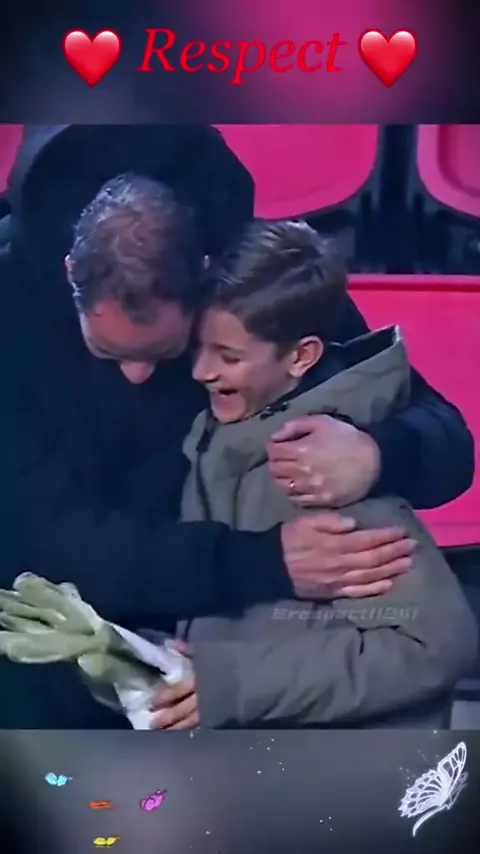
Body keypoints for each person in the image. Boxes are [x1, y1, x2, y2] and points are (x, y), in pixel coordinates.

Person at [0, 126, 474, 727]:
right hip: (67, 648)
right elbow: (35, 541)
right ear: (71, 273)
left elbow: (442, 437)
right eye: (109, 352)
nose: (139, 376)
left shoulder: (249, 283)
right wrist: (262, 562)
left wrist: (378, 453)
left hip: (230, 674)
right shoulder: (11, 302)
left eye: (168, 351)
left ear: (204, 277)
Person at [150, 220, 478, 729]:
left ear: (302, 356)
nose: (200, 371)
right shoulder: (225, 432)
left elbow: (437, 643)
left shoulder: (322, 471)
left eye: (228, 356)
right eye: (199, 348)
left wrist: (235, 684)